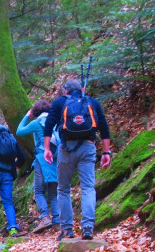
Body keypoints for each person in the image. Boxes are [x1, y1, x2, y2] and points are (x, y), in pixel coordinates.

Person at [43, 79, 111, 241]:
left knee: (63, 189)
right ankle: (88, 227)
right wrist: (106, 151)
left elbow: (48, 125)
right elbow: (104, 127)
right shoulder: (92, 102)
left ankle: (67, 229)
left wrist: (47, 149)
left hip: (66, 148)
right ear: (81, 89)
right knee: (88, 187)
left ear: (65, 91)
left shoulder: (60, 102)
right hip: (88, 147)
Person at [16, 99, 60, 233]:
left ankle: (45, 217)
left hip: (42, 158)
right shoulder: (55, 121)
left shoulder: (36, 123)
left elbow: (19, 131)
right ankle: (57, 221)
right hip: (56, 158)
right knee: (53, 192)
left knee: (39, 190)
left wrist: (27, 116)